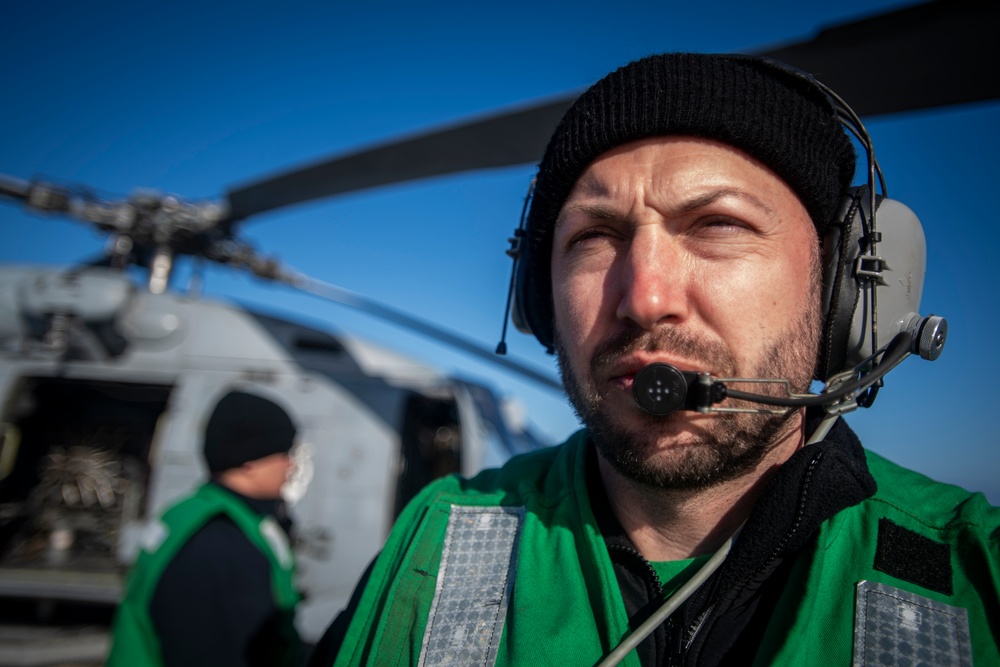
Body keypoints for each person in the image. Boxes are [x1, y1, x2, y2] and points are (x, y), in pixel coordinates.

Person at [310, 53, 1000, 666]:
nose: (643, 296)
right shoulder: (433, 542)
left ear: (842, 289)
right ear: (540, 299)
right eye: (594, 236)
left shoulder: (975, 566)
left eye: (718, 224)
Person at [108, 389, 302, 667]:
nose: (291, 465)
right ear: (249, 460)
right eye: (283, 452)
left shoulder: (189, 514)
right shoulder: (221, 545)